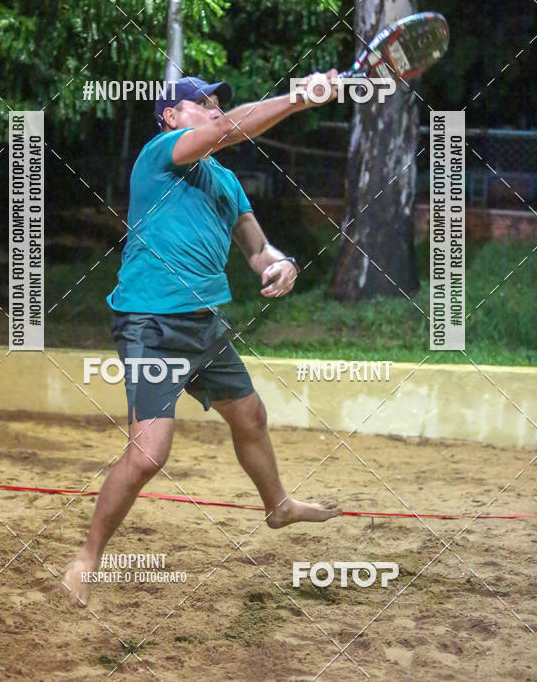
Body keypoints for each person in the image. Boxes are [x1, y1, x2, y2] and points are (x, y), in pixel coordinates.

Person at [63, 71, 340, 606]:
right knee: (148, 455)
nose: (214, 109)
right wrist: (297, 97)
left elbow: (257, 249)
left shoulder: (226, 181)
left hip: (205, 323)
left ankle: (278, 506)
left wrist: (281, 264)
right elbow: (226, 131)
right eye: (202, 102)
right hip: (151, 322)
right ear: (170, 116)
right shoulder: (160, 154)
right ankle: (87, 558)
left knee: (251, 416)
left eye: (218, 103)